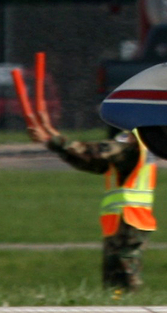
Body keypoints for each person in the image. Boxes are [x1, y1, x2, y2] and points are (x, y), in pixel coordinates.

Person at [27, 120, 156, 293]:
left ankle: (127, 309)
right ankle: (117, 306)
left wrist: (54, 141)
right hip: (125, 221)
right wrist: (53, 138)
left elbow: (94, 153)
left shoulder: (132, 146)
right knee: (115, 275)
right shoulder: (138, 144)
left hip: (129, 219)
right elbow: (90, 161)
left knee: (124, 276)